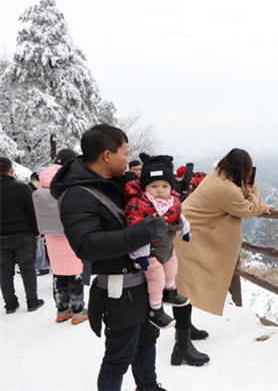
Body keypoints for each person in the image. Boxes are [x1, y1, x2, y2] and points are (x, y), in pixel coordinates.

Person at [50, 124, 167, 391]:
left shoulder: (117, 184)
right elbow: (87, 245)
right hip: (118, 289)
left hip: (142, 284)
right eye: (125, 153)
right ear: (106, 155)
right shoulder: (77, 195)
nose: (128, 159)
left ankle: (148, 387)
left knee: (147, 340)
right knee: (118, 358)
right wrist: (143, 232)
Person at [171, 148, 275, 366]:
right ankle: (181, 347)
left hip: (188, 237)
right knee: (184, 290)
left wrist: (260, 205)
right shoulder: (224, 188)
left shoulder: (218, 176)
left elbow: (239, 200)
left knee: (185, 289)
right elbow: (246, 209)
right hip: (188, 241)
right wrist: (255, 191)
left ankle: (186, 330)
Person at [124, 155, 191, 330]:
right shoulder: (140, 205)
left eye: (164, 186)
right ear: (145, 187)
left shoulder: (171, 201)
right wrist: (140, 255)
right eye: (154, 186)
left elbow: (179, 216)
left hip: (166, 247)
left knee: (172, 269)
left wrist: (185, 231)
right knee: (157, 280)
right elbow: (137, 229)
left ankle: (170, 292)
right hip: (149, 251)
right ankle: (155, 309)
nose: (160, 190)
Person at [38, 148, 88, 324]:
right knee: (75, 271)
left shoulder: (42, 179)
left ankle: (62, 310)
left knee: (58, 272)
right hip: (70, 231)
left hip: (51, 234)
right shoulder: (67, 179)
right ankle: (78, 309)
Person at [0, 157, 45, 314]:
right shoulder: (22, 188)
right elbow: (31, 212)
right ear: (11, 170)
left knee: (4, 272)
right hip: (23, 234)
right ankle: (32, 301)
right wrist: (36, 232)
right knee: (27, 269)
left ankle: (10, 303)